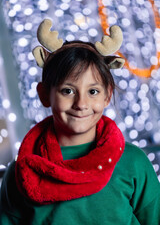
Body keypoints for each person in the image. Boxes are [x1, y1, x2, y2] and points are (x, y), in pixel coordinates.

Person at [0, 19, 160, 225]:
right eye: (68, 91)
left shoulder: (133, 163)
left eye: (93, 91)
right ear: (44, 94)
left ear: (107, 96)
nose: (81, 103)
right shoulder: (22, 172)